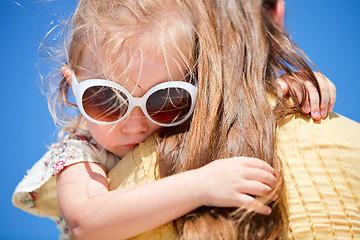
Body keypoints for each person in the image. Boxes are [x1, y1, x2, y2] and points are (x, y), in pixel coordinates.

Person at [12, 0, 341, 239]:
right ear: (72, 86)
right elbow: (87, 222)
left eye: (166, 99)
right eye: (107, 99)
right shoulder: (79, 155)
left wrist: (284, 87)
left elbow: (234, 105)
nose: (136, 123)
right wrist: (201, 186)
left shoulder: (185, 119)